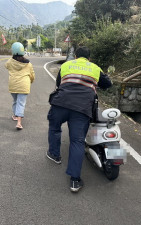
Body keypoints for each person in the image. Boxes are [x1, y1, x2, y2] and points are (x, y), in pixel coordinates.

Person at [47, 46, 112, 192]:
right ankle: (75, 181)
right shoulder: (95, 68)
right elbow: (108, 84)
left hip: (60, 104)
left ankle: (54, 154)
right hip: (82, 108)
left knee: (54, 127)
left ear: (75, 56)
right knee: (77, 141)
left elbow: (59, 84)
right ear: (89, 58)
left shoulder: (66, 65)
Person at [5, 42, 35, 130]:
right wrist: (31, 81)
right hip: (24, 85)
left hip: (13, 84)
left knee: (15, 101)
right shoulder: (28, 64)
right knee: (21, 103)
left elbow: (6, 66)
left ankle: (15, 115)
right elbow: (32, 75)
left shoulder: (10, 62)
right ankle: (19, 123)